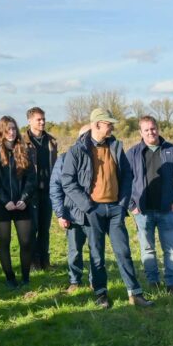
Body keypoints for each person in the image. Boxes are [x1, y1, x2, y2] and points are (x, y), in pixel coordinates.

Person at [60, 108, 153, 309]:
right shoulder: (77, 151)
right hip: (93, 211)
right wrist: (87, 206)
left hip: (115, 209)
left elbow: (128, 176)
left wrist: (122, 204)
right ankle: (101, 294)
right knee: (97, 254)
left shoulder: (116, 147)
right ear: (97, 125)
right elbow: (67, 181)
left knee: (123, 251)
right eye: (109, 123)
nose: (112, 126)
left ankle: (135, 293)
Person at [126, 115, 173, 295]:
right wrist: (132, 205)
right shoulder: (133, 153)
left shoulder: (172, 151)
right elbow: (124, 181)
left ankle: (171, 283)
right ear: (141, 132)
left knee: (171, 248)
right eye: (146, 130)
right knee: (147, 249)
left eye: (153, 128)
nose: (150, 132)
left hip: (167, 210)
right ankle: (153, 282)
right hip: (142, 211)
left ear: (158, 129)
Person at [0, 116, 37, 288]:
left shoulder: (24, 151)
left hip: (22, 203)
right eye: (8, 129)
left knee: (26, 242)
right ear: (1, 131)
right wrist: (5, 200)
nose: (12, 132)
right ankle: (10, 278)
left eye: (14, 129)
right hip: (1, 204)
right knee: (4, 241)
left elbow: (31, 178)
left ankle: (26, 278)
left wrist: (24, 198)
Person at [50, 141, 91, 294]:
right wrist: (61, 214)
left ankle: (96, 281)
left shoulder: (99, 156)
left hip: (94, 213)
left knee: (96, 250)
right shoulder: (64, 158)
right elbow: (55, 187)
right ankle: (75, 280)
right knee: (74, 251)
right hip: (72, 213)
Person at [25, 107, 57, 271]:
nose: (42, 122)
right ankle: (32, 262)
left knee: (45, 228)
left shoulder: (51, 141)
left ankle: (45, 260)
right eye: (39, 119)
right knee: (32, 228)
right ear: (29, 120)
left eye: (43, 119)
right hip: (31, 192)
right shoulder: (23, 142)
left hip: (48, 191)